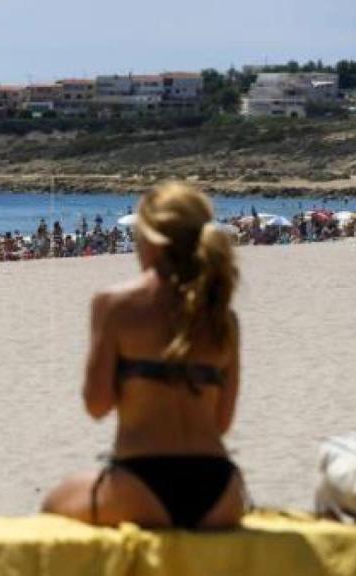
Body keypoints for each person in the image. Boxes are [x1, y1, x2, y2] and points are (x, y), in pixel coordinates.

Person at [42, 183, 246, 530]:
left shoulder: (115, 304)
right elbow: (222, 423)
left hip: (140, 483)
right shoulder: (222, 316)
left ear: (149, 239)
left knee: (52, 506)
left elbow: (97, 405)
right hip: (219, 485)